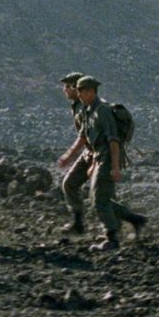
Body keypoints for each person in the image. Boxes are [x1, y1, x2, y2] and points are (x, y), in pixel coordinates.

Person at [66, 75, 146, 251]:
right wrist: (93, 162)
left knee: (99, 200)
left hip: (108, 158)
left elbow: (113, 140)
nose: (77, 94)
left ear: (90, 91)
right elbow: (91, 140)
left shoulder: (102, 110)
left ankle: (112, 238)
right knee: (98, 197)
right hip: (99, 158)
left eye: (80, 90)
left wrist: (115, 167)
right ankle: (135, 219)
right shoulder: (88, 111)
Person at [56, 72, 93, 235]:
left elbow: (84, 136)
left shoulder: (85, 108)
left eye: (67, 87)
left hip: (98, 153)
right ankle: (78, 224)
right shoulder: (78, 106)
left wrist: (69, 155)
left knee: (102, 196)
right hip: (90, 152)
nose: (64, 90)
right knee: (69, 184)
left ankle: (128, 221)